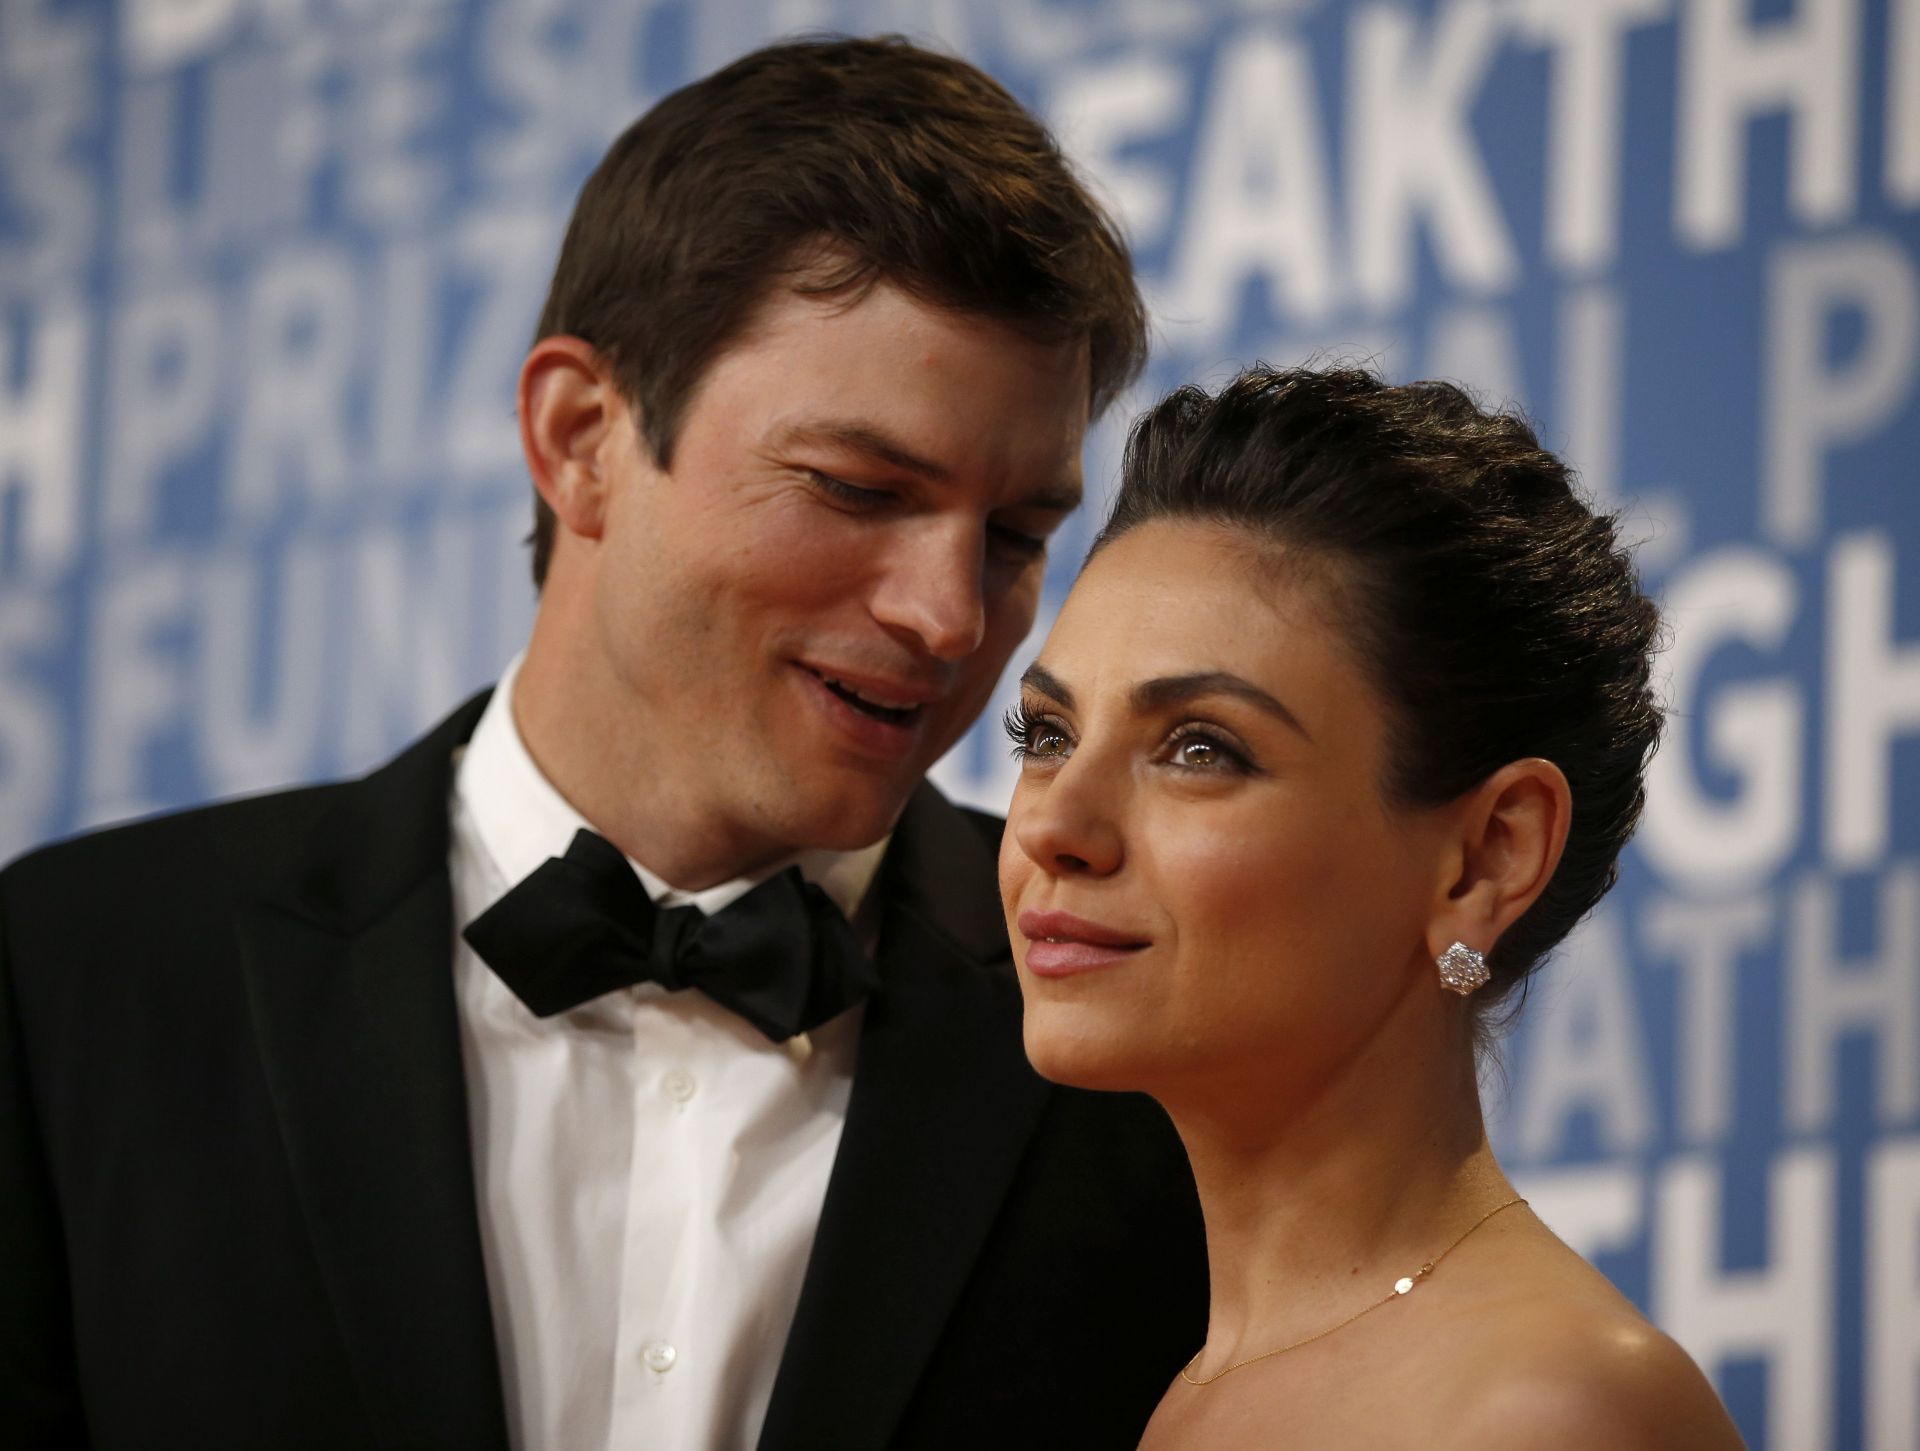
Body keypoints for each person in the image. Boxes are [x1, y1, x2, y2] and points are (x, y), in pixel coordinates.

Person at [0, 37, 1207, 1451]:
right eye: (859, 487)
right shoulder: (73, 977)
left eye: (1015, 537)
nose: (950, 614)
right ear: (581, 438)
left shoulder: (1147, 1035)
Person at [998, 365, 1746, 1449]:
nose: (1051, 827)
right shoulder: (1188, 1396)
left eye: (1199, 749)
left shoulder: (1553, 1410)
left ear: (1488, 856)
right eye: (1048, 736)